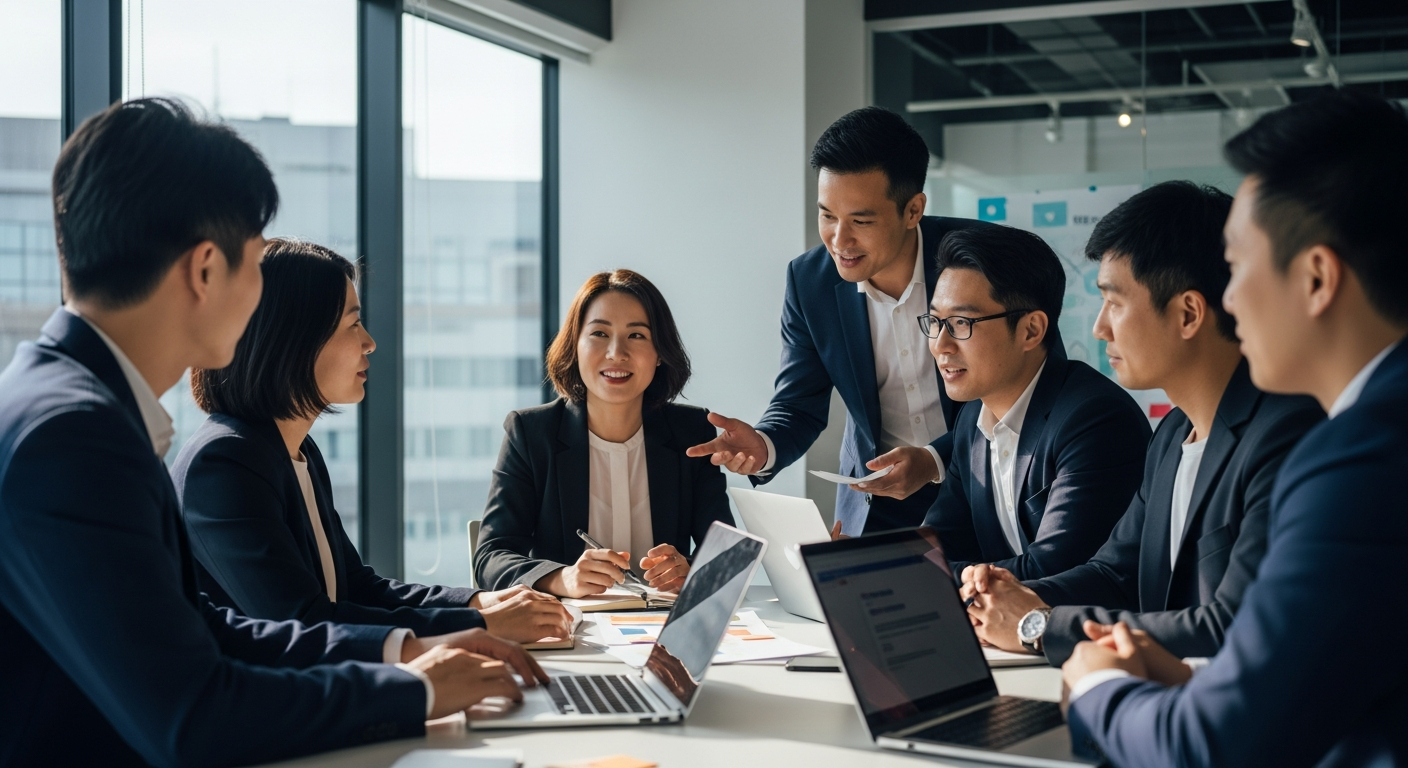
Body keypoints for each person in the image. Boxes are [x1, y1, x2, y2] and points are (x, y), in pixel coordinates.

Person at [0, 99, 547, 767]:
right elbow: (191, 717)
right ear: (205, 269)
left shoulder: (69, 407)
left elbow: (205, 630)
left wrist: (410, 659)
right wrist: (408, 690)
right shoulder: (74, 436)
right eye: (256, 262)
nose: (262, 295)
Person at [1062, 91, 1408, 767]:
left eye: (1238, 265)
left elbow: (1216, 747)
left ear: (1315, 278)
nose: (1225, 297)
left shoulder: (1361, 455)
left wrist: (1096, 686)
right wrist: (1196, 680)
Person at [958, 181, 1323, 665]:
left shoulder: (1286, 433)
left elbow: (1229, 622)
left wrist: (1039, 625)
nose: (1099, 327)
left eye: (1115, 302)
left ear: (1188, 313)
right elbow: (1115, 574)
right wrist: (1011, 593)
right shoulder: (1173, 433)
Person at [171, 239, 571, 644]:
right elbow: (303, 621)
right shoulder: (223, 463)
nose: (369, 342)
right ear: (294, 340)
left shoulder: (297, 450)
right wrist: (482, 626)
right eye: (352, 324)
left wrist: (481, 604)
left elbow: (358, 587)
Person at [686, 107, 1004, 535]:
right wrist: (763, 446)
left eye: (861, 220)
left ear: (913, 210)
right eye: (827, 216)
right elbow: (799, 401)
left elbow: (1026, 388)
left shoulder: (985, 260)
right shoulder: (809, 281)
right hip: (877, 503)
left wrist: (934, 459)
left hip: (989, 487)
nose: (840, 240)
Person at [474, 269, 733, 596]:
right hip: (572, 630)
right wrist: (563, 578)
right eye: (599, 333)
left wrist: (693, 570)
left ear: (659, 355)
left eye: (636, 336)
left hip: (666, 626)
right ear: (575, 346)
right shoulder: (530, 434)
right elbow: (490, 557)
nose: (616, 353)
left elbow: (726, 553)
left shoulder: (691, 433)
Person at [920, 226, 1150, 581]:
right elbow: (937, 544)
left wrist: (917, 575)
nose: (940, 344)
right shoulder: (972, 420)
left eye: (962, 323)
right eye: (935, 322)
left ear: (1031, 330)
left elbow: (1052, 569)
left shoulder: (1095, 419)